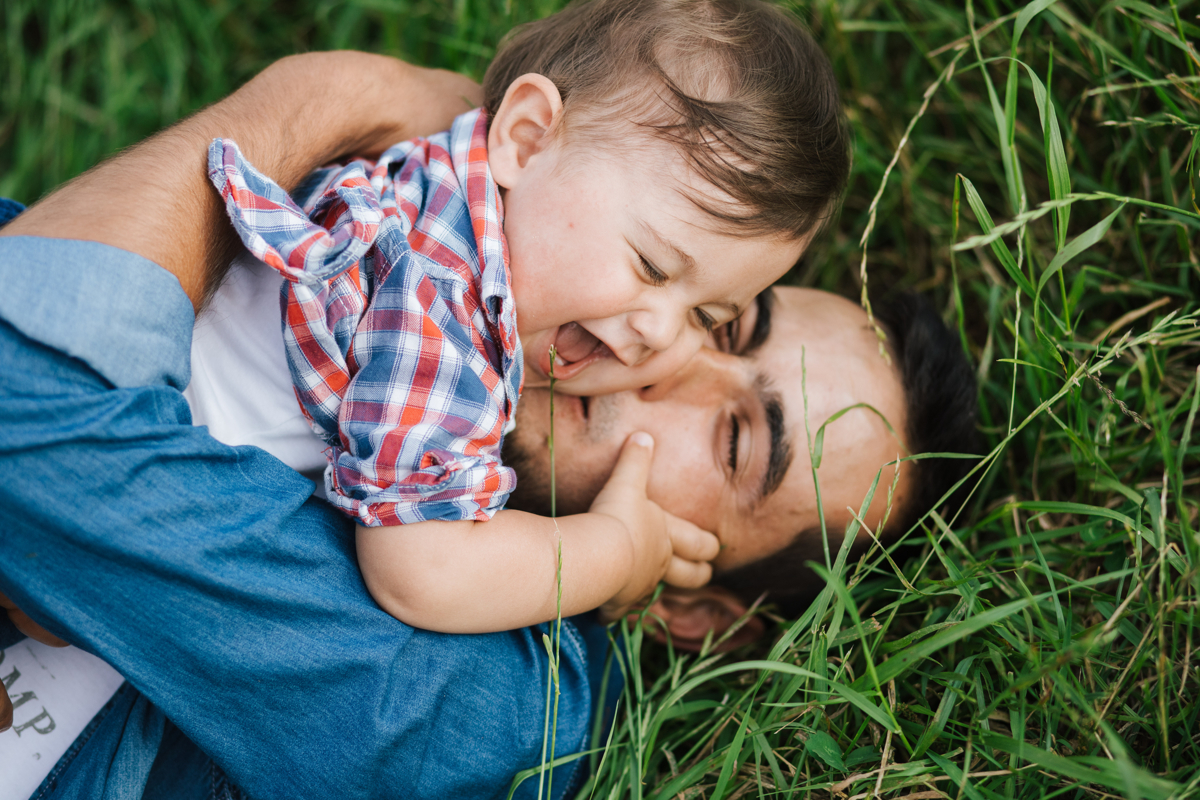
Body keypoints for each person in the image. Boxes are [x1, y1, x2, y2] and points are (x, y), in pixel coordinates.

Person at [0, 56, 974, 800]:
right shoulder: (377, 301)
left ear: (692, 610)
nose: (665, 354)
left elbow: (25, 395)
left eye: (735, 439)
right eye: (724, 320)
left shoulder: (504, 710)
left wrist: (333, 94)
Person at [205, 0, 849, 636]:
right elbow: (425, 574)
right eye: (651, 266)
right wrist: (616, 548)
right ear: (528, 138)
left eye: (705, 315)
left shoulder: (424, 185)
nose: (659, 333)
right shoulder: (444, 323)